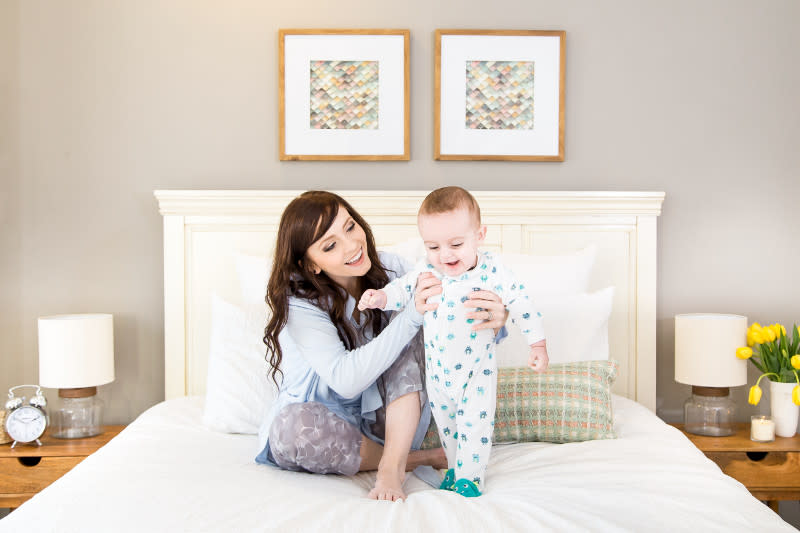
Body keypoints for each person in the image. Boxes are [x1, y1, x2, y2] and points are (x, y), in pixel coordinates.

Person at [255, 190, 510, 502]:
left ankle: (392, 468)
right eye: (330, 245)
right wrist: (411, 316)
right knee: (290, 431)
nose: (351, 245)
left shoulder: (392, 268)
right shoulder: (300, 302)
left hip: (392, 415)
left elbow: (452, 315)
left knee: (411, 325)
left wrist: (494, 319)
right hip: (329, 420)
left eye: (350, 227)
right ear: (311, 265)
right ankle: (421, 458)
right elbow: (346, 381)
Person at [359, 186, 549, 497]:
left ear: (480, 235)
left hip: (476, 373)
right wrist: (380, 297)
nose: (445, 255)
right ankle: (456, 470)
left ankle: (472, 478)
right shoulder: (426, 269)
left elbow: (523, 303)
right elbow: (403, 289)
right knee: (447, 426)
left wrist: (537, 344)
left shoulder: (493, 271)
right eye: (433, 246)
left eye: (456, 244)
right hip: (438, 374)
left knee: (474, 425)